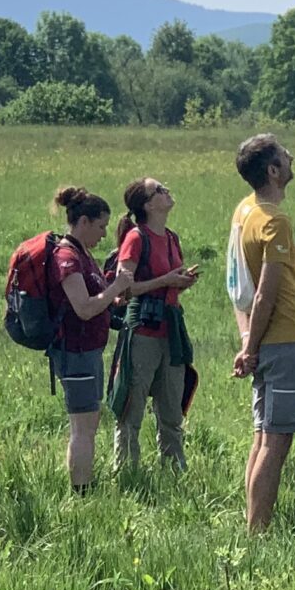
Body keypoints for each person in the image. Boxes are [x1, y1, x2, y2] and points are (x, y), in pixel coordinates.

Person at [228, 132, 295, 531]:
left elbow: (236, 284)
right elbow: (265, 294)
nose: (292, 156)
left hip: (265, 340)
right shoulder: (275, 221)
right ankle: (257, 531)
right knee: (277, 440)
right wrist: (253, 346)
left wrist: (247, 341)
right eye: (284, 155)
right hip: (284, 338)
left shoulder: (244, 211)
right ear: (274, 171)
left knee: (262, 436)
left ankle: (252, 522)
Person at [109, 178, 199, 471]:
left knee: (172, 410)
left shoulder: (171, 237)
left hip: (170, 330)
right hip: (143, 330)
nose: (167, 191)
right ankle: (126, 473)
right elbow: (123, 289)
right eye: (160, 190)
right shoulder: (136, 238)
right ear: (148, 205)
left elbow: (167, 286)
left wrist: (180, 283)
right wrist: (166, 280)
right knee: (131, 409)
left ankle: (175, 471)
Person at [47, 185, 131, 493]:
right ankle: (81, 491)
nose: (103, 233)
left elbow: (92, 300)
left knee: (89, 423)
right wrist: (115, 288)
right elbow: (83, 309)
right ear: (83, 222)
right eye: (100, 226)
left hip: (88, 350)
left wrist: (110, 301)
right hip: (76, 351)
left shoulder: (83, 254)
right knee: (83, 427)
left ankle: (84, 484)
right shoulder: (68, 257)